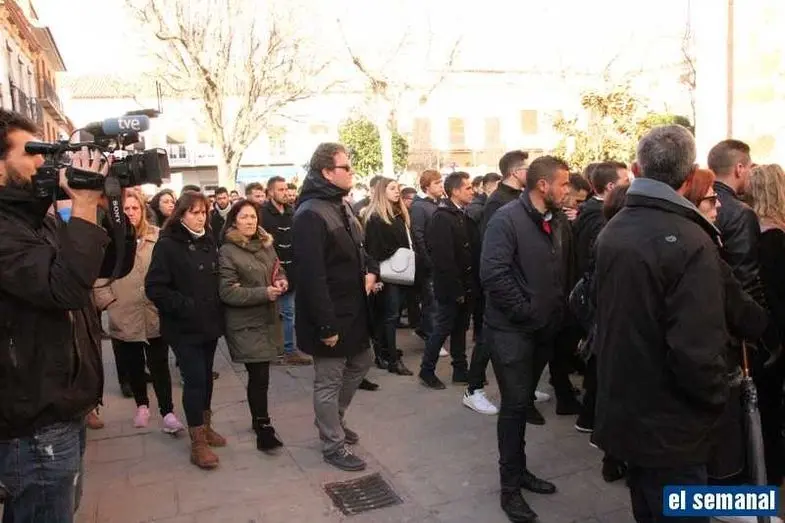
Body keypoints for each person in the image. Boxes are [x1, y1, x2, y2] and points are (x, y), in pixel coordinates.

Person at [594, 126, 730, 522]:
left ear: (637, 170)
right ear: (690, 177)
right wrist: (716, 399)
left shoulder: (615, 228)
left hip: (632, 413)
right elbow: (696, 351)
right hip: (672, 427)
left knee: (650, 506)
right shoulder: (691, 240)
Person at [0, 109, 110, 521]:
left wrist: (103, 203)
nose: (43, 161)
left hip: (63, 407)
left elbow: (104, 265)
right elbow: (64, 289)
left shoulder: (36, 219)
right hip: (33, 422)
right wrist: (82, 203)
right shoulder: (5, 229)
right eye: (31, 152)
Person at [481, 156, 570, 522]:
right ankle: (509, 489)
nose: (567, 190)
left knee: (523, 403)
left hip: (542, 330)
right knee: (515, 406)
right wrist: (527, 312)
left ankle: (520, 472)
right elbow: (494, 274)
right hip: (510, 332)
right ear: (543, 185)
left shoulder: (557, 220)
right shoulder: (506, 219)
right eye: (563, 184)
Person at [292, 142, 379, 472]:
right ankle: (332, 444)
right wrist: (326, 326)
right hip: (329, 314)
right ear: (327, 172)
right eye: (346, 167)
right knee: (328, 381)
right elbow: (311, 277)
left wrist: (371, 270)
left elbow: (360, 250)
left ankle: (333, 421)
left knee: (363, 361)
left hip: (353, 310)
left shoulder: (340, 205)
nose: (352, 173)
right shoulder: (310, 213)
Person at [145, 191, 226, 470]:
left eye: (204, 212)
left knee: (207, 377)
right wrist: (185, 305)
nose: (200, 217)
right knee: (194, 380)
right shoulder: (167, 244)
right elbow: (154, 288)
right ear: (181, 214)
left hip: (209, 323)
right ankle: (197, 441)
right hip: (184, 326)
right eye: (194, 212)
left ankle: (206, 425)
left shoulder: (209, 239)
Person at [94, 190, 185, 434]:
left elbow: (172, 269)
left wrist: (167, 299)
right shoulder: (107, 241)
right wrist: (109, 303)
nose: (131, 213)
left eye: (135, 208)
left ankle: (168, 412)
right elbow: (98, 278)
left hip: (154, 312)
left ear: (143, 211)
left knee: (159, 365)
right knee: (134, 365)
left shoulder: (157, 237)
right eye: (125, 209)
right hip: (124, 312)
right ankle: (141, 405)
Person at [219, 199, 288, 452]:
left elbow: (277, 270)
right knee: (259, 375)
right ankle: (263, 426)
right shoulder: (228, 251)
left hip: (267, 319)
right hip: (245, 324)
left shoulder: (266, 244)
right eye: (244, 217)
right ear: (234, 221)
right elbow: (227, 291)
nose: (250, 221)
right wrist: (263, 293)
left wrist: (281, 281)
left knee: (262, 375)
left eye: (253, 216)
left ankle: (259, 420)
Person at [419, 171, 479, 389]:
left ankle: (460, 370)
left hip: (465, 284)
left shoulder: (461, 215)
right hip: (451, 287)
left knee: (460, 328)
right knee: (442, 329)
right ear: (455, 191)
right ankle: (427, 370)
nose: (472, 192)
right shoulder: (442, 217)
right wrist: (456, 289)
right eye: (468, 188)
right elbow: (443, 258)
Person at [746, 163, 785, 486]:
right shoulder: (775, 235)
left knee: (767, 405)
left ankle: (769, 470)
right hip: (775, 334)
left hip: (763, 334)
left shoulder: (754, 231)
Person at [363, 177, 414, 376]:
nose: (397, 191)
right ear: (381, 191)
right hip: (386, 274)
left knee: (390, 316)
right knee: (389, 317)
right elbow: (374, 250)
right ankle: (391, 358)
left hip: (400, 273)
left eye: (398, 188)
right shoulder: (376, 217)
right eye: (392, 188)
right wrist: (376, 278)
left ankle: (385, 353)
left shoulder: (398, 213)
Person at [262, 176, 311, 365]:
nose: (285, 193)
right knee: (271, 315)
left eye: (286, 189)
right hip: (270, 271)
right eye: (280, 190)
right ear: (271, 192)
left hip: (292, 270)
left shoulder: (293, 211)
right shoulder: (262, 213)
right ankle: (272, 351)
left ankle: (289, 351)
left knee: (290, 312)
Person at [410, 170, 444, 344]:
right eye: (436, 183)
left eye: (441, 182)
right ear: (426, 186)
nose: (441, 185)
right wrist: (428, 260)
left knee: (436, 300)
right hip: (428, 263)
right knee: (431, 301)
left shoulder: (437, 204)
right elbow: (418, 235)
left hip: (439, 260)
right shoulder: (419, 206)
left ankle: (425, 329)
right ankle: (431, 337)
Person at [481, 150, 528, 232]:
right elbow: (492, 235)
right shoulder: (496, 202)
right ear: (515, 172)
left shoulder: (523, 195)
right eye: (527, 169)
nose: (530, 173)